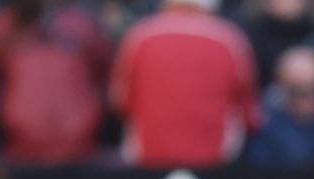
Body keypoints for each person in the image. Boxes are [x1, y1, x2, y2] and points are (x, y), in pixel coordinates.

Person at [109, 0, 261, 166]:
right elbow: (249, 112)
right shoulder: (230, 39)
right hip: (215, 157)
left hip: (149, 154)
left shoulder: (140, 34)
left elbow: (120, 101)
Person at [0, 0, 110, 163]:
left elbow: (102, 75)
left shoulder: (84, 23)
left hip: (74, 141)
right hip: (25, 139)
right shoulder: (85, 22)